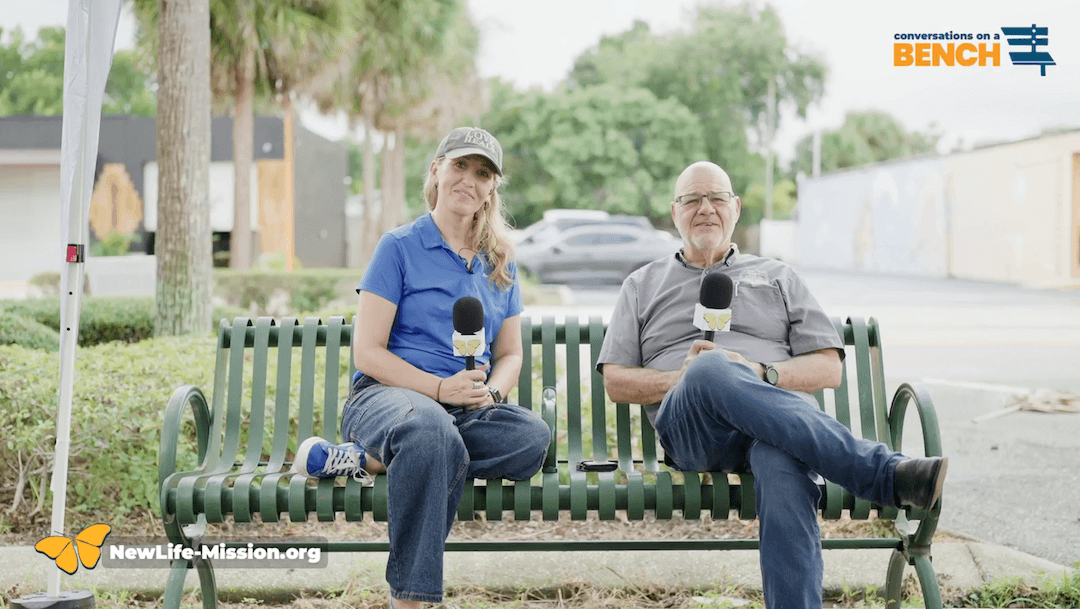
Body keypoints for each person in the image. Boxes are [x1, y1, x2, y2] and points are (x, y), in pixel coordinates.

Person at [596, 161, 948, 609]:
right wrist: (684, 377)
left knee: (782, 459)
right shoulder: (642, 284)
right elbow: (616, 382)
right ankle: (882, 474)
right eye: (692, 199)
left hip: (776, 427)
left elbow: (828, 368)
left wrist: (764, 373)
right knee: (709, 368)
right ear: (675, 211)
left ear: (736, 208)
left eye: (717, 198)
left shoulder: (780, 277)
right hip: (694, 430)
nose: (706, 208)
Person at [291, 127, 551, 609]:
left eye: (482, 173)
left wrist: (490, 393)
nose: (468, 181)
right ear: (435, 171)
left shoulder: (501, 264)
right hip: (387, 397)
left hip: (465, 411)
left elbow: (510, 353)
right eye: (459, 166)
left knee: (531, 437)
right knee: (430, 430)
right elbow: (367, 353)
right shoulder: (399, 246)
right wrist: (437, 388)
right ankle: (411, 600)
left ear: (492, 188)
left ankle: (367, 458)